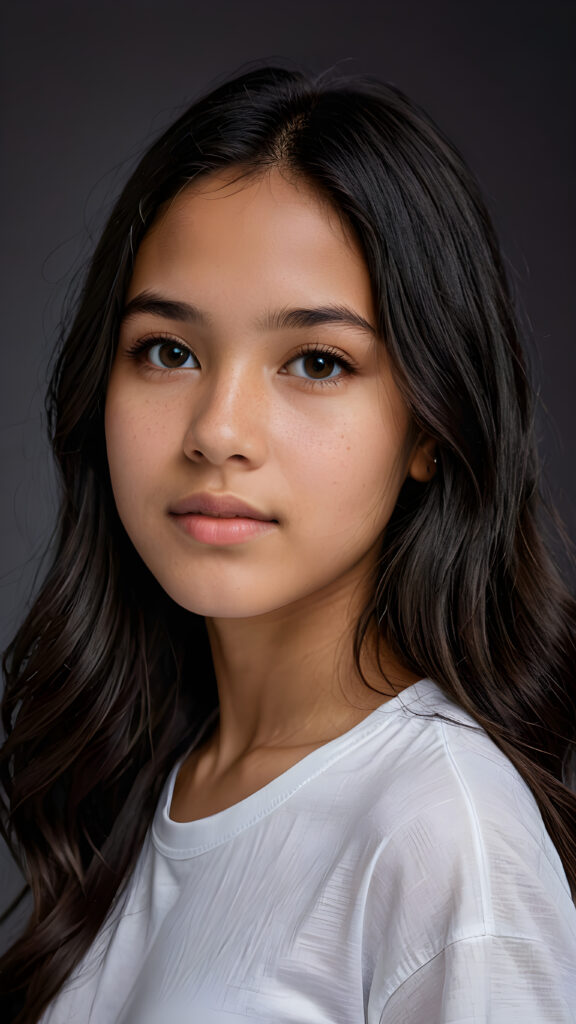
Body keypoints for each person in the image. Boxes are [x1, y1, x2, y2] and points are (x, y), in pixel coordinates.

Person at [1, 64, 575, 1024]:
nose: (218, 431)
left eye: (316, 361)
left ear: (431, 427)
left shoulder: (445, 838)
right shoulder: (149, 773)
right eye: (168, 351)